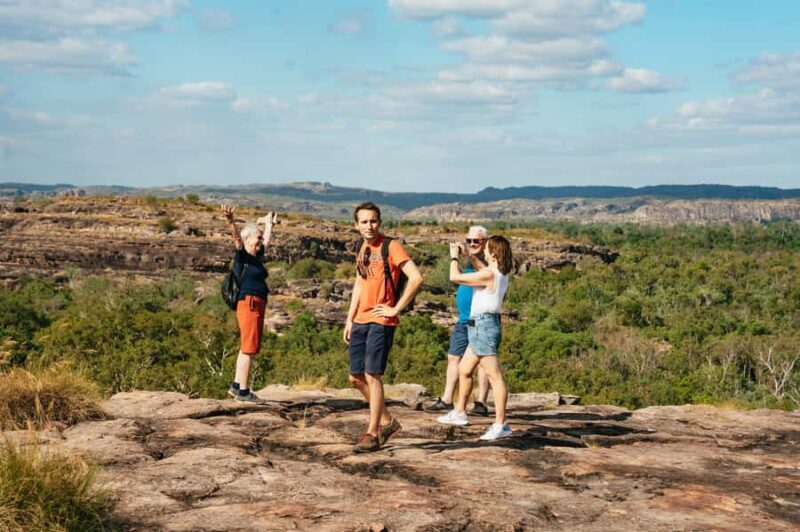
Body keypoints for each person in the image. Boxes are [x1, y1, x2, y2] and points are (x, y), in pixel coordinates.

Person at [343, 202, 423, 453]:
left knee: (372, 374)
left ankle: (372, 432)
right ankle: (388, 421)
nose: (369, 226)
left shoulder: (391, 246)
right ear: (356, 225)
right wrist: (350, 317)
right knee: (355, 377)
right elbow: (360, 280)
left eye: (374, 221)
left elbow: (417, 277)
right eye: (364, 222)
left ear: (380, 222)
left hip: (382, 320)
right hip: (361, 319)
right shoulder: (361, 246)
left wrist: (395, 308)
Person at [436, 235, 514, 441]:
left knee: (494, 376)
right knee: (464, 369)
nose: (484, 251)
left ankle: (501, 424)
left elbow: (454, 277)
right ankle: (459, 412)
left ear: (494, 253)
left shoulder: (489, 274)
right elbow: (481, 268)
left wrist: (454, 258)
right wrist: (469, 255)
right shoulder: (499, 273)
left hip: (483, 327)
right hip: (482, 326)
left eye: (487, 248)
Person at [424, 226, 491, 416]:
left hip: (480, 320)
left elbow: (460, 276)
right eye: (469, 240)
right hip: (464, 320)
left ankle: (481, 402)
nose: (471, 244)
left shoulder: (491, 262)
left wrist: (457, 257)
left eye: (476, 241)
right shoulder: (472, 262)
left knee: (483, 361)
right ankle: (447, 399)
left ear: (486, 241)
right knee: (454, 357)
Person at [222, 204, 277, 403]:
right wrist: (230, 221)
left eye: (261, 238)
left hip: (255, 303)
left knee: (247, 345)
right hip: (250, 303)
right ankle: (243, 392)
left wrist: (269, 225)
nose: (261, 242)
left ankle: (237, 385)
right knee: (249, 348)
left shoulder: (256, 258)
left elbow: (268, 242)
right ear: (247, 239)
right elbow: (236, 238)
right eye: (258, 238)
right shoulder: (242, 255)